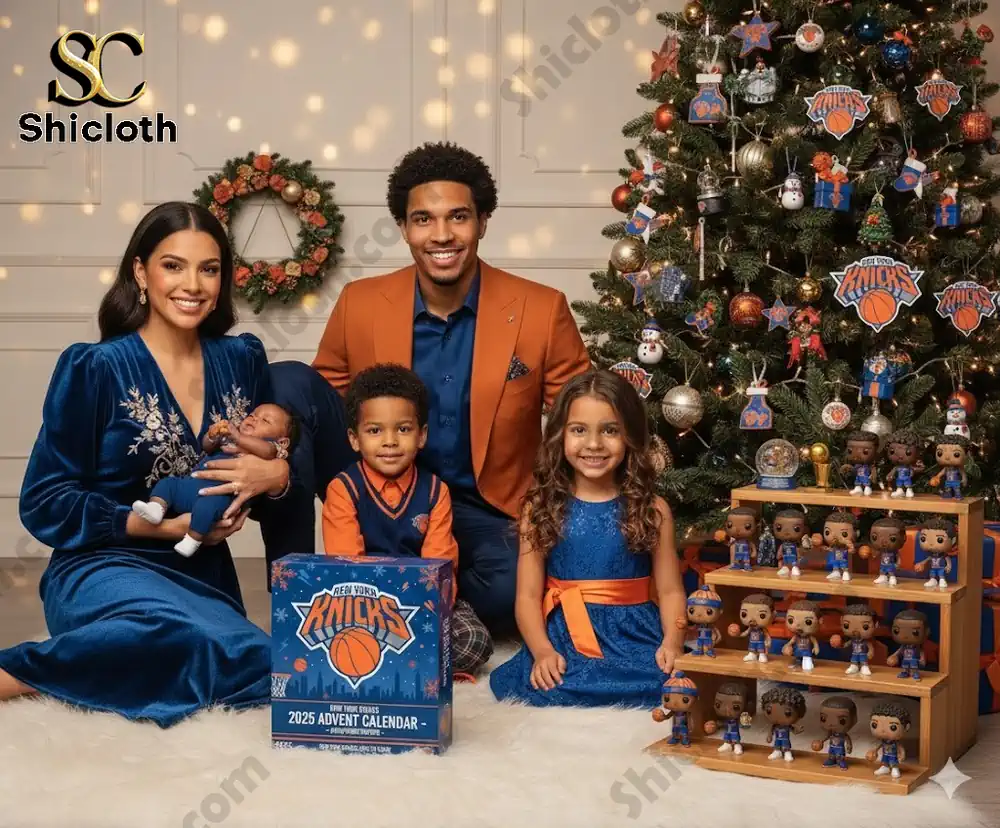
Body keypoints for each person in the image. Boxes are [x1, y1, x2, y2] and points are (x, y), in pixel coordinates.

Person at [253, 142, 591, 630]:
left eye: (458, 217)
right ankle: (301, 586)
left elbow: (580, 417)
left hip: (483, 506)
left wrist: (565, 512)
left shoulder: (542, 308)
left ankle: (401, 598)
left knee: (512, 592)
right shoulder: (361, 302)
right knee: (287, 379)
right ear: (404, 228)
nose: (442, 235)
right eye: (423, 220)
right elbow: (322, 399)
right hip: (374, 489)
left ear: (483, 221)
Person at [0, 202, 288, 726]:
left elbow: (262, 465)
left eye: (209, 268)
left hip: (203, 577)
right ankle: (19, 674)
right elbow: (44, 502)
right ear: (140, 271)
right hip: (102, 565)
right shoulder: (96, 367)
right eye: (173, 265)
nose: (193, 284)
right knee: (169, 634)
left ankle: (94, 666)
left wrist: (277, 474)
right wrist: (158, 527)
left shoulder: (242, 359)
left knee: (263, 663)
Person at [489, 369, 686, 708]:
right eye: (579, 430)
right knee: (553, 682)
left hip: (633, 634)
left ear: (630, 437)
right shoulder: (540, 508)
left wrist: (673, 642)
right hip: (565, 635)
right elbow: (527, 597)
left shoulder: (653, 509)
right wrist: (542, 651)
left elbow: (670, 591)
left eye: (610, 431)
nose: (594, 444)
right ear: (559, 436)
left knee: (668, 682)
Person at [322, 363, 493, 676]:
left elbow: (441, 563)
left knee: (475, 642)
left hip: (423, 600)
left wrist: (425, 611)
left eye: (403, 429)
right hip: (364, 603)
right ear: (354, 438)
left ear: (422, 435)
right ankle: (411, 661)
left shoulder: (434, 491)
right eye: (375, 430)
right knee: (330, 640)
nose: (390, 441)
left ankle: (399, 660)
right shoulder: (343, 490)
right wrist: (379, 616)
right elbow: (346, 563)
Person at [132, 402, 298, 557]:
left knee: (206, 509)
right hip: (192, 484)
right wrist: (212, 436)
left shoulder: (269, 448)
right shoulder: (230, 437)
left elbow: (268, 452)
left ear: (282, 442)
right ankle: (156, 508)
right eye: (253, 415)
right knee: (168, 484)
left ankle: (193, 539)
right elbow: (207, 447)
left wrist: (238, 438)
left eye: (265, 421)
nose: (254, 419)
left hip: (219, 495)